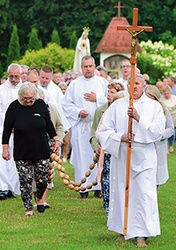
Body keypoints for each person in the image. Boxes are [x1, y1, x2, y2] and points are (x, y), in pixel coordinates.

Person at [97, 74, 165, 247]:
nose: (133, 86)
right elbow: (103, 131)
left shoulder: (153, 106)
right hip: (123, 156)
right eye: (131, 83)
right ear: (126, 85)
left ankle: (141, 234)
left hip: (144, 158)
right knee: (122, 192)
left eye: (137, 83)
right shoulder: (118, 105)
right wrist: (121, 137)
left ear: (144, 85)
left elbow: (157, 131)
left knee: (143, 194)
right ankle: (123, 229)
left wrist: (138, 118)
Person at [2, 83, 60, 216]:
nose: (28, 101)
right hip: (22, 151)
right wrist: (5, 148)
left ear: (35, 95)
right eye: (25, 98)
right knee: (25, 180)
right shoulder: (13, 107)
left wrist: (56, 139)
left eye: (31, 98)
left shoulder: (41, 105)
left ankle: (39, 199)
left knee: (42, 179)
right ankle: (28, 208)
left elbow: (49, 124)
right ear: (19, 96)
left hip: (41, 149)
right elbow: (6, 129)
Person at [62, 56, 108, 199]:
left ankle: (98, 186)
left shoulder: (103, 83)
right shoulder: (75, 84)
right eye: (85, 66)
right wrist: (78, 112)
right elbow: (66, 104)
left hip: (98, 126)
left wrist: (97, 99)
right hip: (81, 127)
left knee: (97, 154)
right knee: (82, 157)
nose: (88, 69)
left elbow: (111, 100)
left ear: (95, 66)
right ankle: (83, 187)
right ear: (81, 68)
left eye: (90, 66)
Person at [90, 82, 125, 217]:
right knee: (107, 181)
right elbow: (96, 131)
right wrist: (96, 146)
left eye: (112, 92)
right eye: (108, 92)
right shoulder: (101, 111)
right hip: (107, 151)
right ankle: (108, 209)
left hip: (121, 152)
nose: (109, 95)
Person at [0, 63, 23, 200]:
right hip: (4, 130)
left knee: (18, 159)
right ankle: (2, 188)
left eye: (16, 76)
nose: (14, 79)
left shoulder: (25, 89)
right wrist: (9, 123)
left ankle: (15, 187)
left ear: (21, 75)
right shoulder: (1, 90)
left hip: (21, 132)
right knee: (2, 159)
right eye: (11, 76)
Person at [145, 85, 172, 191]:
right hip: (144, 146)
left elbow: (170, 128)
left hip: (158, 147)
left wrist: (160, 134)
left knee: (155, 179)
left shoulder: (164, 110)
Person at [160, 85, 176, 153]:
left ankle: (171, 145)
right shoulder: (161, 100)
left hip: (174, 117)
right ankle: (166, 148)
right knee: (165, 133)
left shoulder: (174, 98)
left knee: (172, 133)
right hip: (165, 118)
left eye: (168, 93)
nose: (166, 95)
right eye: (165, 93)